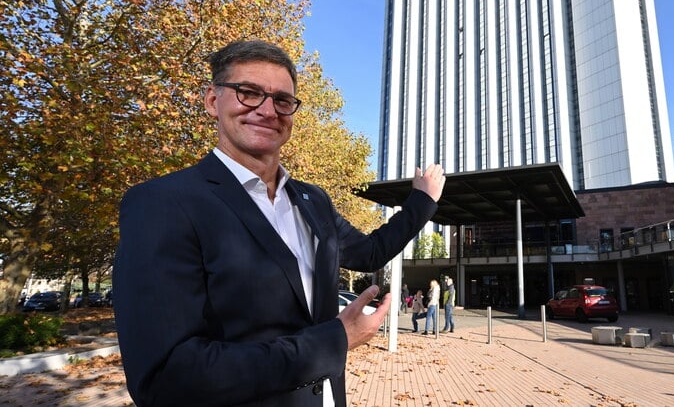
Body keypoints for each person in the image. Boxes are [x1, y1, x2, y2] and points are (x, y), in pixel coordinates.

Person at [113, 40, 446, 407]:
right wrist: (337, 339)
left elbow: (370, 252)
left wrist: (423, 200)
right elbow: (166, 378)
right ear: (212, 100)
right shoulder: (162, 203)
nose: (267, 110)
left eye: (282, 100)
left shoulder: (312, 200)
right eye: (249, 93)